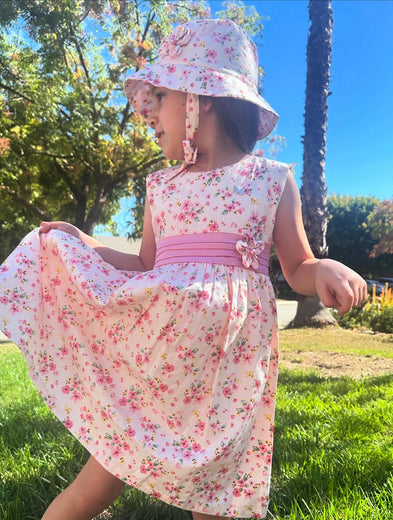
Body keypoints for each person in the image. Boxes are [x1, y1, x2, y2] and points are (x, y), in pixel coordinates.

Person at [0, 18, 367, 520]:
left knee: (217, 498)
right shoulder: (162, 187)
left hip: (228, 377)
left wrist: (321, 266)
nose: (147, 114)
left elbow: (296, 264)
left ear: (202, 97)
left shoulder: (270, 181)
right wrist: (84, 243)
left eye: (158, 99)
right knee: (96, 484)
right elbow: (146, 264)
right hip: (154, 365)